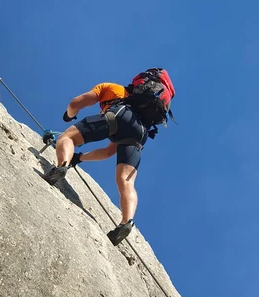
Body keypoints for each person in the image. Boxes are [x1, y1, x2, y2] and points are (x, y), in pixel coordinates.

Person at [44, 71, 175, 245]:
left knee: (67, 138)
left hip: (119, 115)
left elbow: (77, 102)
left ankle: (61, 166)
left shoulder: (112, 88)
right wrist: (80, 158)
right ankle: (126, 222)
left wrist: (68, 115)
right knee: (126, 182)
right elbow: (108, 151)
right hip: (140, 133)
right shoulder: (141, 108)